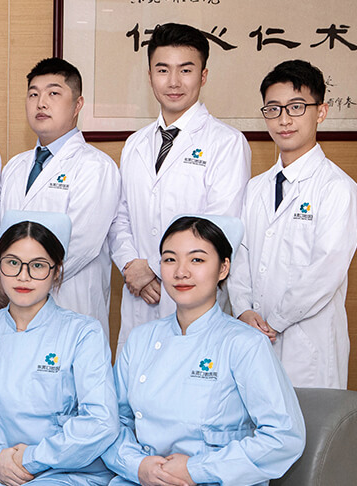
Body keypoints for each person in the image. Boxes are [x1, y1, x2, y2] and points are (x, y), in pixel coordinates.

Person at [102, 215, 304, 486]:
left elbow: (284, 438)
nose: (181, 272)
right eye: (170, 259)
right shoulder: (140, 340)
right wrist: (137, 465)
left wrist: (196, 469)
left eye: (196, 259)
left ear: (223, 268)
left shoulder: (245, 344)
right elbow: (111, 422)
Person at [107, 23, 250, 347]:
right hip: (140, 297)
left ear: (203, 75)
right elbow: (120, 216)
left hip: (193, 298)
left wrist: (155, 268)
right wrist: (131, 266)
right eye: (163, 70)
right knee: (137, 373)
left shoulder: (226, 143)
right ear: (150, 76)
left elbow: (220, 227)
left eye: (185, 70)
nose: (173, 82)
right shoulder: (135, 143)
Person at [229, 60, 357, 389]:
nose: (284, 119)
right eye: (273, 109)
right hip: (255, 334)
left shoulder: (337, 188)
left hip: (308, 347)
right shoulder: (255, 188)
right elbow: (240, 255)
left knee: (310, 420)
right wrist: (243, 310)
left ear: (321, 112)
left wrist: (275, 321)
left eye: (296, 107)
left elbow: (326, 271)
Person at [0, 210, 117, 486]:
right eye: (12, 263)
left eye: (38, 265)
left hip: (64, 470)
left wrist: (32, 458)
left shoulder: (83, 332)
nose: (23, 276)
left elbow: (101, 421)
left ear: (57, 271)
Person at [0, 58, 120, 333]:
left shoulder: (96, 166)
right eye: (33, 94)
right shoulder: (15, 167)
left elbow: (83, 243)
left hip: (70, 307)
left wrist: (21, 277)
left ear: (77, 105)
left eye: (53, 93)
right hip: (9, 305)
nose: (41, 103)